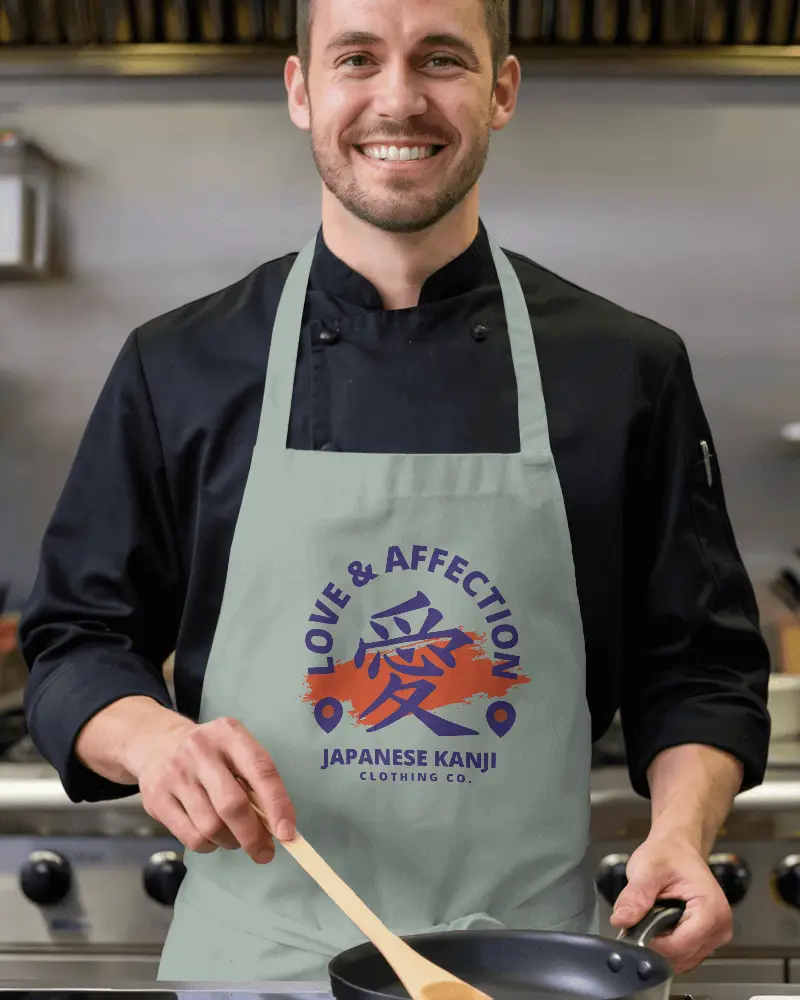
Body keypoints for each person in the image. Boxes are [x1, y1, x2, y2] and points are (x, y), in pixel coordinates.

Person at [18, 0, 770, 985]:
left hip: (523, 967)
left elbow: (697, 668)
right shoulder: (180, 367)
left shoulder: (623, 370)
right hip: (259, 965)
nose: (397, 99)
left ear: (501, 90)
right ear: (301, 89)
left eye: (441, 60)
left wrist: (679, 828)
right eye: (357, 59)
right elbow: (75, 640)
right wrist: (152, 739)